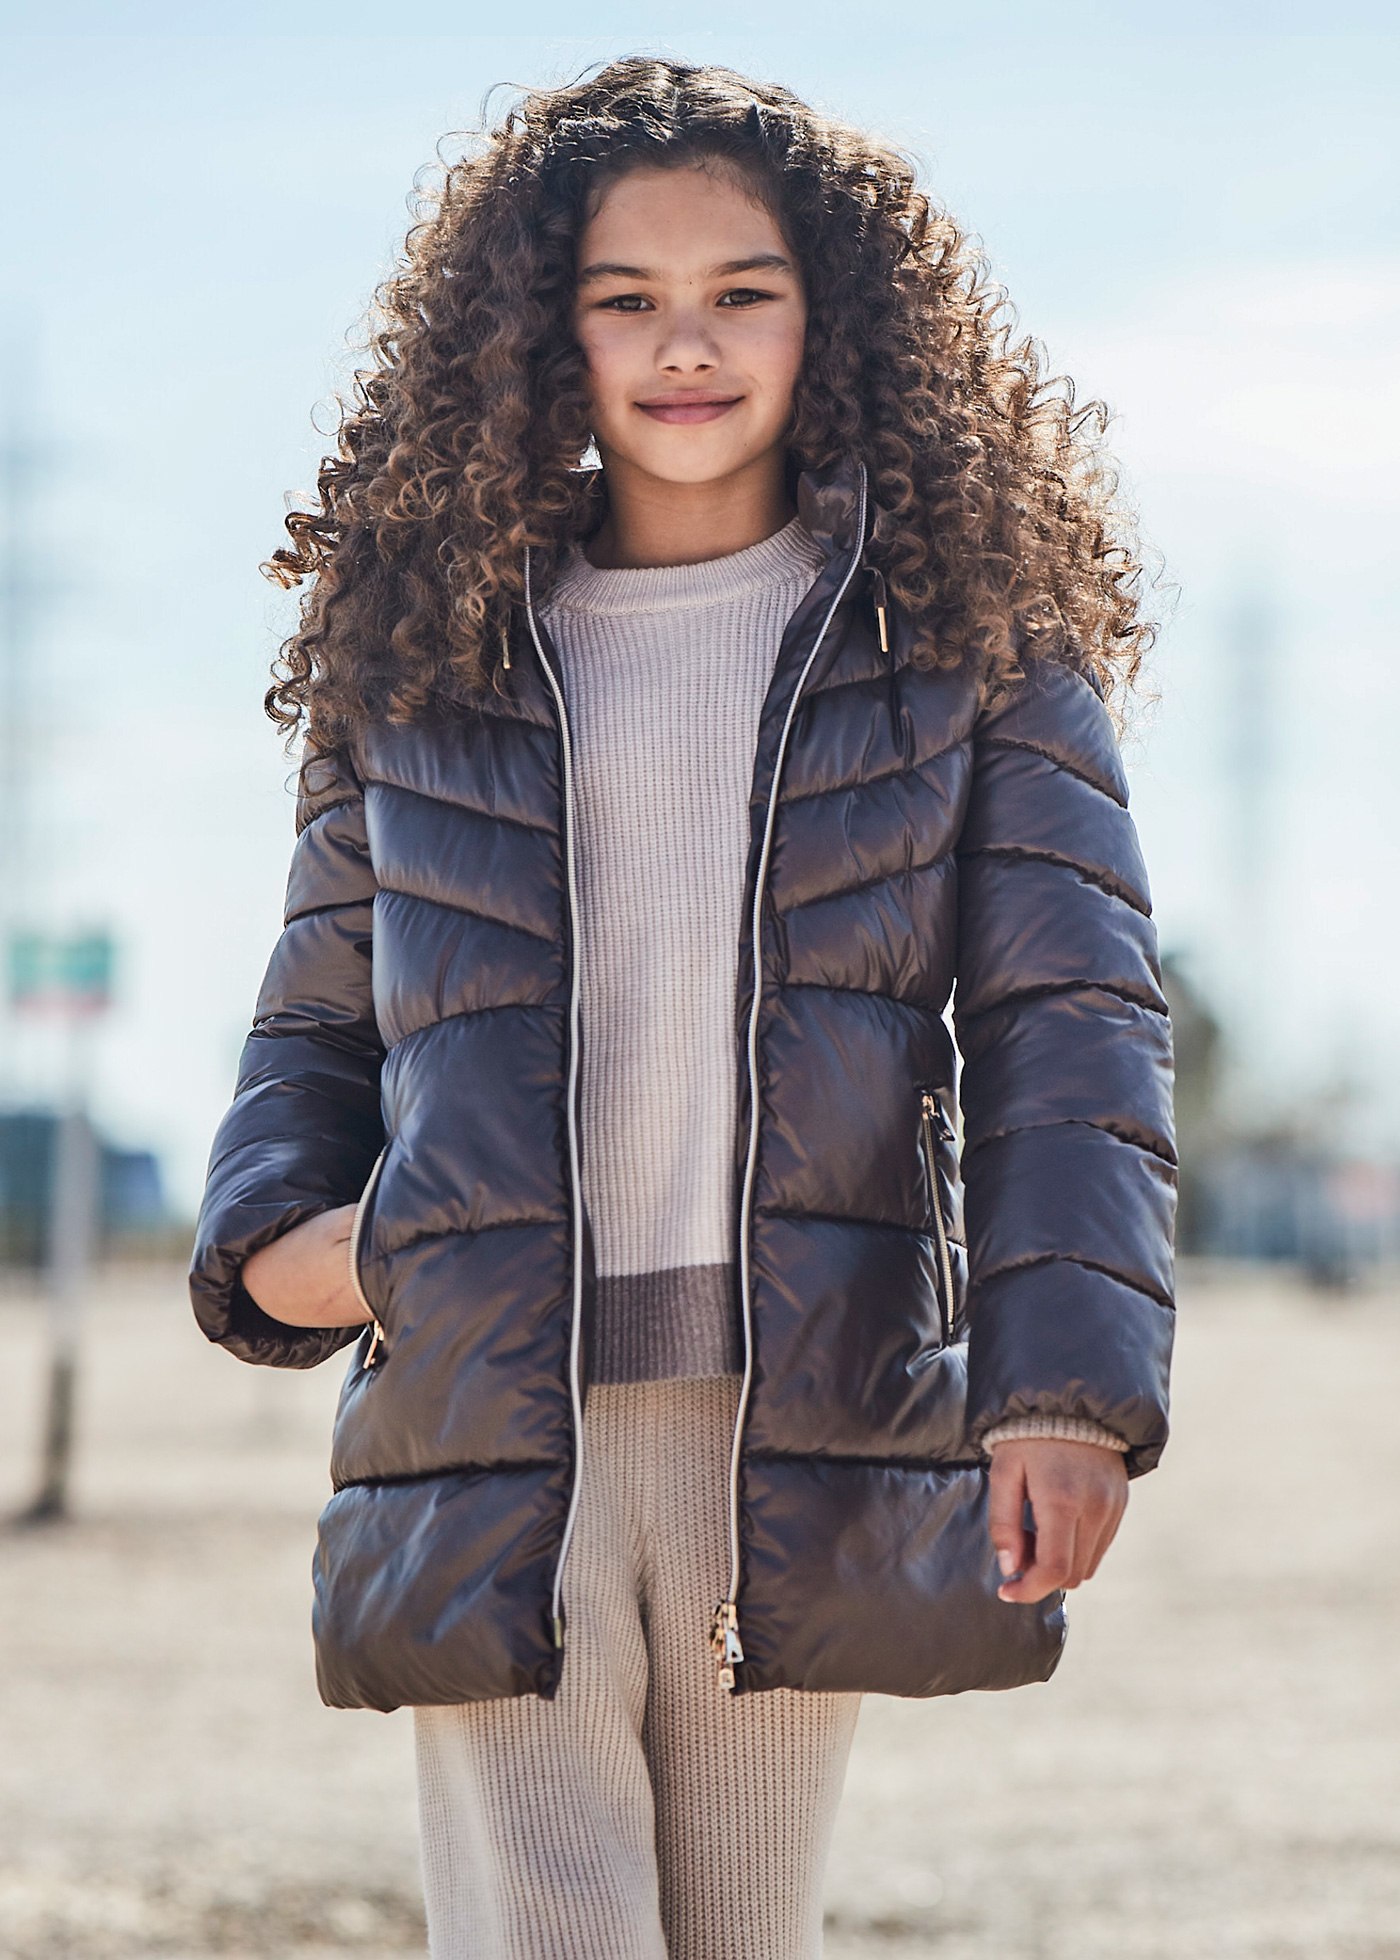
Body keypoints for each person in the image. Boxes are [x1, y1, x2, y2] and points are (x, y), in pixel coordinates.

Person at [189, 54, 1177, 1960]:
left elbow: (1072, 1031)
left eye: (742, 292)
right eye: (625, 298)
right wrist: (298, 1254)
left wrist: (1063, 1392)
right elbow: (317, 1028)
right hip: (499, 1410)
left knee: (740, 1940)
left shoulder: (971, 652)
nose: (686, 345)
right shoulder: (429, 661)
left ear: (838, 322)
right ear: (544, 337)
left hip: (796, 1418)